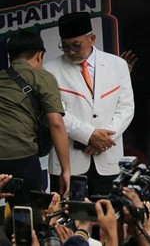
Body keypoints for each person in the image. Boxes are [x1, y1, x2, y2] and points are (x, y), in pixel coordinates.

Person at [45, 12, 135, 196]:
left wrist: (104, 140)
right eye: (65, 46)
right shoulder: (49, 70)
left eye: (76, 46)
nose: (70, 52)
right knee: (69, 217)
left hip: (108, 159)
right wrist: (90, 135)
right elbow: (56, 113)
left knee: (108, 216)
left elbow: (126, 108)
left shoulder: (117, 65)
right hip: (69, 163)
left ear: (92, 39)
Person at [0, 31, 71, 202]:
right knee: (29, 214)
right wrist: (66, 170)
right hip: (22, 157)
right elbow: (56, 123)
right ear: (40, 55)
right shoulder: (42, 77)